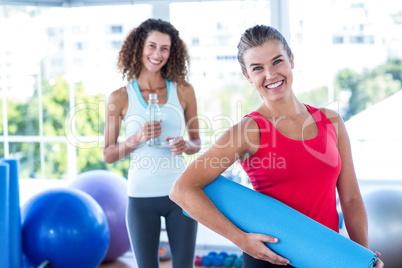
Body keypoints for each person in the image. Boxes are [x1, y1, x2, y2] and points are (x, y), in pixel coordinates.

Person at [170, 25, 384, 268]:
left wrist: (362, 257)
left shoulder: (331, 122)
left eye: (277, 61)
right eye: (258, 68)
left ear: (291, 60)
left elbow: (352, 198)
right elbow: (182, 190)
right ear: (247, 76)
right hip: (270, 258)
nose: (270, 75)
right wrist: (240, 239)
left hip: (325, 255)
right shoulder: (247, 131)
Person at [103, 18, 200, 268]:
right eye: (152, 46)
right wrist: (136, 138)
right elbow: (109, 154)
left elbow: (196, 141)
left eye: (165, 48)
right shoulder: (120, 97)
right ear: (139, 47)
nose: (158, 54)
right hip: (141, 196)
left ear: (172, 52)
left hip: (181, 193)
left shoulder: (184, 91)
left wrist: (185, 146)